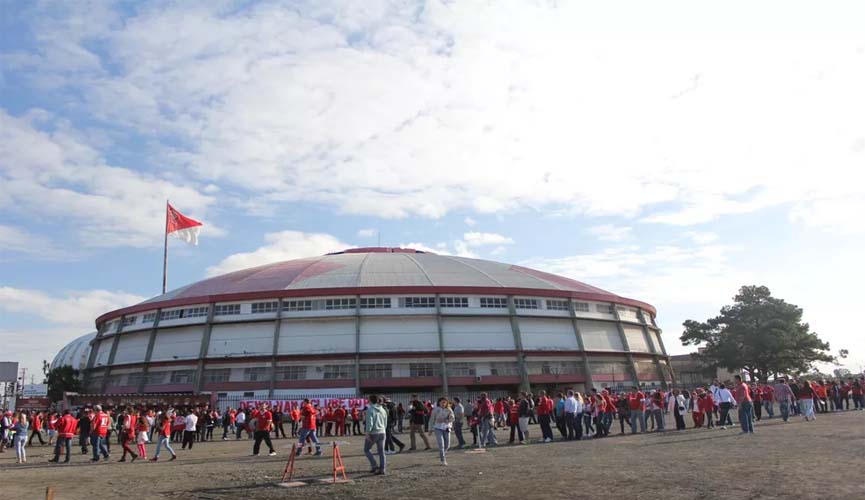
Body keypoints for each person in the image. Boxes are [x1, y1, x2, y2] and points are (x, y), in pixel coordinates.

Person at [364, 395, 388, 474]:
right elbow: (385, 422)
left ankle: (374, 465)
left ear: (370, 400)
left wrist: (367, 433)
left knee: (367, 449)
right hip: (382, 432)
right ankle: (382, 469)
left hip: (374, 433)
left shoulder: (370, 410)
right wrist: (383, 429)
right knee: (381, 452)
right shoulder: (383, 410)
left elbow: (369, 423)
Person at [429, 397, 455, 465]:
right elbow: (432, 419)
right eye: (442, 402)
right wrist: (430, 429)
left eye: (444, 402)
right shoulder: (436, 410)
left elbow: (453, 418)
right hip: (438, 428)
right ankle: (443, 460)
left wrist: (446, 420)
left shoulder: (449, 409)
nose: (443, 404)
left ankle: (443, 452)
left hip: (446, 428)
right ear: (439, 403)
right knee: (441, 444)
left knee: (447, 445)